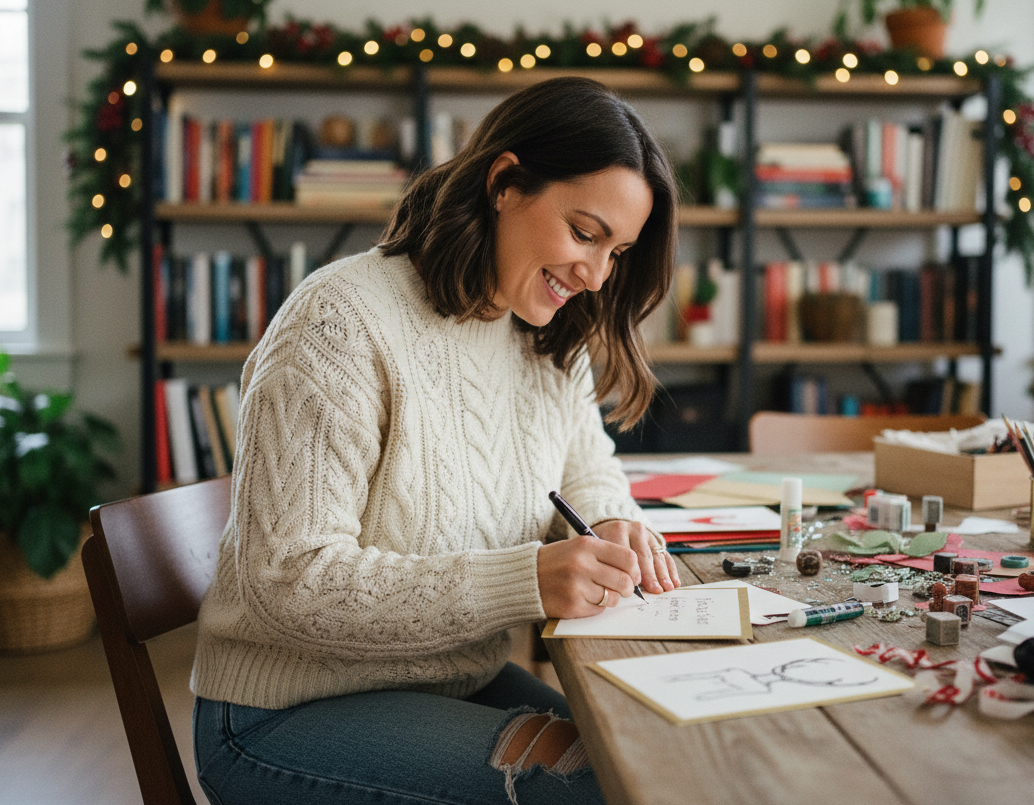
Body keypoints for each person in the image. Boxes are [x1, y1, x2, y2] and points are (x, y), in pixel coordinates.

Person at [191, 76, 681, 805]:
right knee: (604, 789)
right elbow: (287, 582)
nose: (596, 274)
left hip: (452, 680)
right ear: (506, 183)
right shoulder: (340, 322)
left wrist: (611, 519)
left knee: (659, 750)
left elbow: (588, 462)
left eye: (617, 252)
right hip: (284, 713)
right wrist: (526, 579)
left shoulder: (545, 335)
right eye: (585, 233)